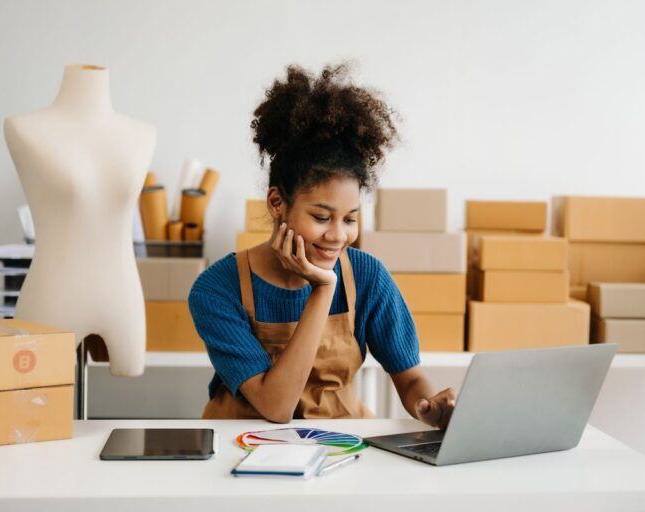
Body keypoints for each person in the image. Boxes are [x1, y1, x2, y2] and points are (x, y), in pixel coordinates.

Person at [189, 63, 456, 427]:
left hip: (341, 443)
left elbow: (409, 378)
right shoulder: (217, 289)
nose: (337, 236)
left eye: (349, 219)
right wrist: (322, 288)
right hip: (242, 450)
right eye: (321, 217)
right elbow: (276, 407)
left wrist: (432, 405)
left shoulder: (367, 276)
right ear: (277, 203)